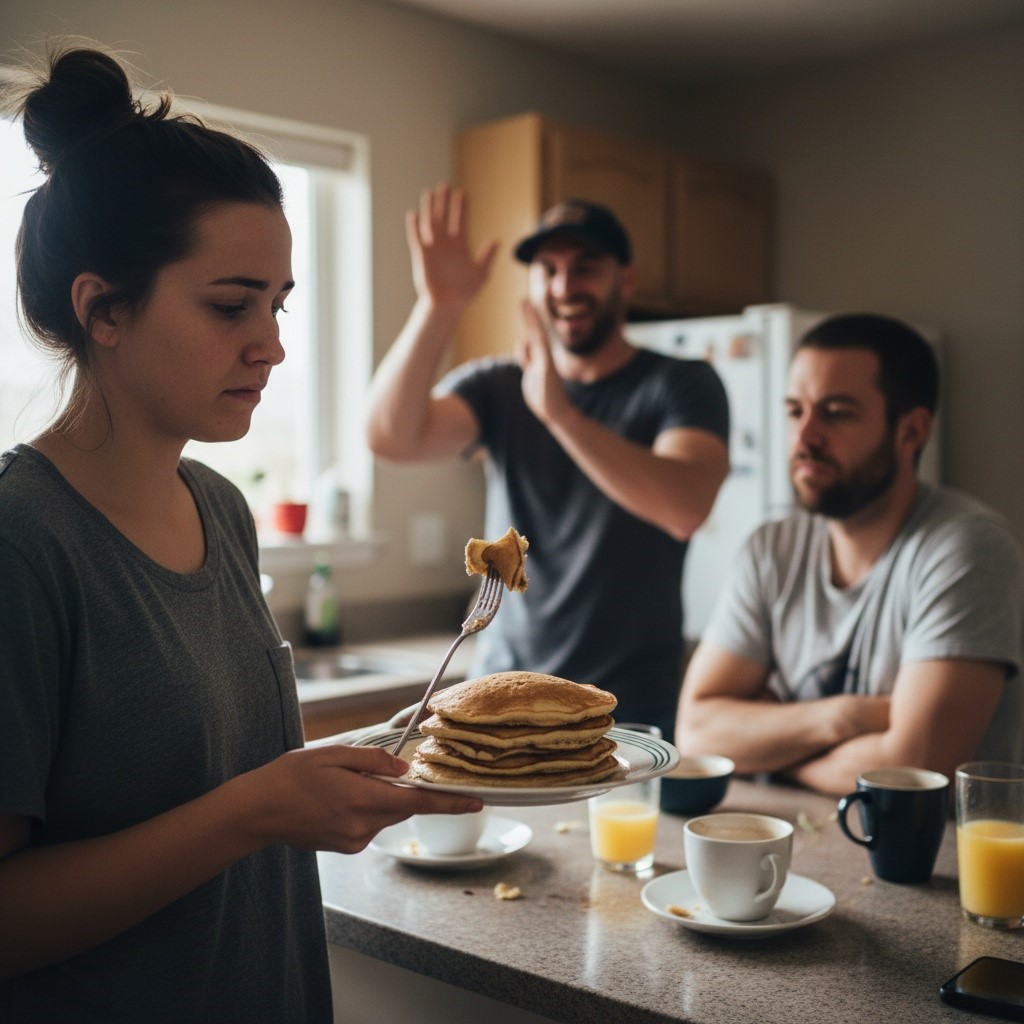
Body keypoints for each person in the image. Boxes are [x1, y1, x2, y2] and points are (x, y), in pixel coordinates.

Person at [0, 46, 480, 1023]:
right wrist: (258, 810)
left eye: (278, 303)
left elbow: (218, 773)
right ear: (102, 309)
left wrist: (360, 761)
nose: (272, 344)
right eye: (231, 305)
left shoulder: (221, 507)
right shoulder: (23, 543)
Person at [367, 185, 730, 739]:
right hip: (502, 696)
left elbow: (684, 508)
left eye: (586, 267)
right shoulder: (498, 385)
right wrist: (439, 308)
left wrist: (560, 415)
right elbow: (390, 437)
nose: (565, 286)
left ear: (625, 279)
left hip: (625, 711)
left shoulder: (681, 384)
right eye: (548, 269)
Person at [676, 313, 1024, 796]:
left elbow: (913, 767)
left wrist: (772, 758)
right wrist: (847, 718)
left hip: (931, 868)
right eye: (796, 411)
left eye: (836, 413)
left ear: (912, 432)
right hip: (795, 848)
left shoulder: (966, 550)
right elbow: (696, 733)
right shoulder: (771, 550)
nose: (804, 437)